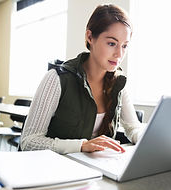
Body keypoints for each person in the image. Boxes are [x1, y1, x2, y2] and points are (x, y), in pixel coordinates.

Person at [21, 4, 143, 154]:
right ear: (90, 37)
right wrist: (81, 145)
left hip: (97, 169)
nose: (119, 54)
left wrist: (147, 138)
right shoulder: (57, 78)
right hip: (56, 170)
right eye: (112, 43)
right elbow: (29, 141)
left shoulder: (118, 83)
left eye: (124, 46)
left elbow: (133, 128)